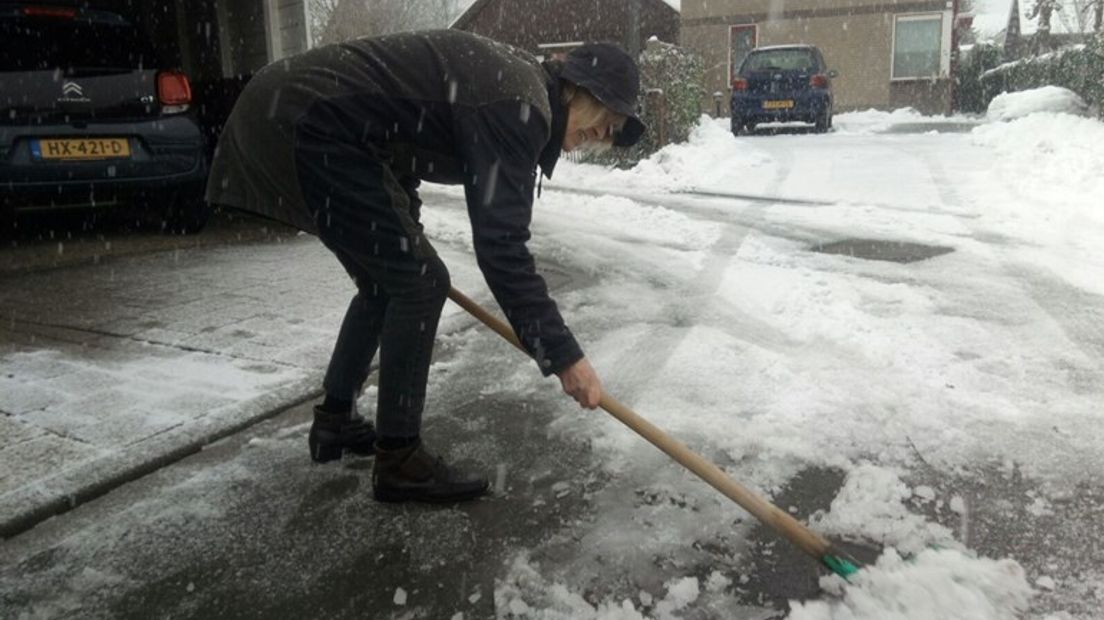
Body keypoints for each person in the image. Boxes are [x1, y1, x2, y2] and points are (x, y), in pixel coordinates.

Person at [205, 30, 646, 504]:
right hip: (306, 119)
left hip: (296, 112)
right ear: (576, 90)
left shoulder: (515, 89)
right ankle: (399, 459)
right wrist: (564, 357)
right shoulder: (518, 106)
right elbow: (503, 249)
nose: (605, 133)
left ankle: (335, 422)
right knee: (419, 284)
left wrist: (406, 230)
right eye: (606, 116)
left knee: (389, 283)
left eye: (615, 127)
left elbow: (401, 142)